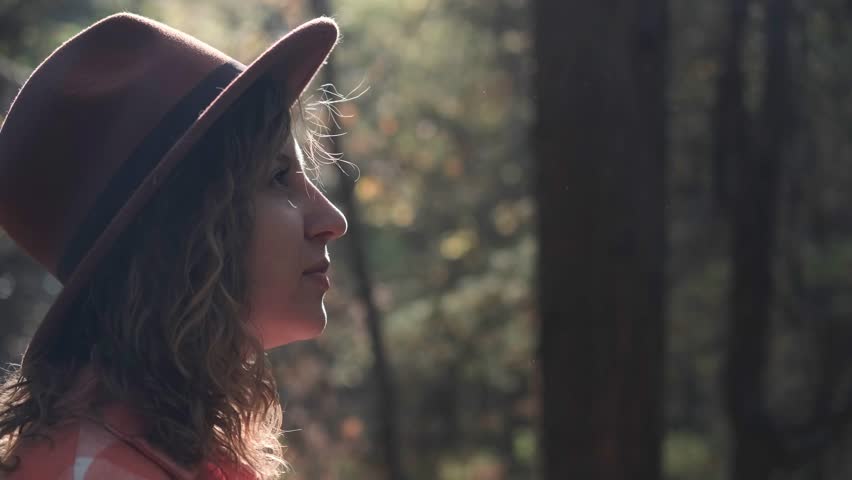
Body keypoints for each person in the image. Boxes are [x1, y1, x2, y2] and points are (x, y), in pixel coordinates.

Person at [0, 11, 348, 479]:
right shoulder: (98, 471)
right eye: (278, 177)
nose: (332, 220)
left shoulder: (161, 450)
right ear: (181, 232)